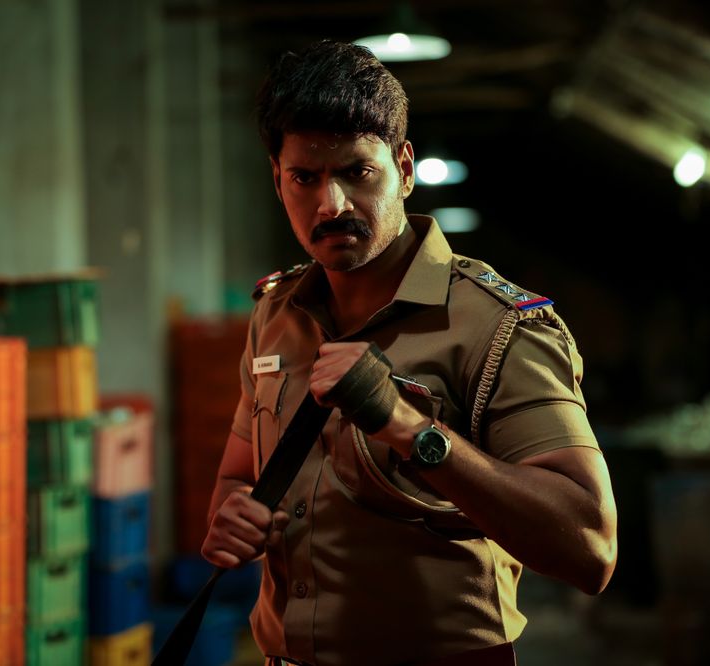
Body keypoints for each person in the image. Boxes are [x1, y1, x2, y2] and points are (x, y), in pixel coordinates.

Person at [201, 40, 617, 666]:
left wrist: (411, 429)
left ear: (404, 166)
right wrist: (234, 516)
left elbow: (591, 549)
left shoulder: (497, 326)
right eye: (305, 178)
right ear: (277, 179)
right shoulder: (274, 315)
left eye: (357, 172)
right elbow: (238, 477)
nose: (331, 204)